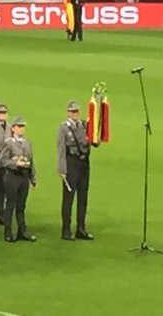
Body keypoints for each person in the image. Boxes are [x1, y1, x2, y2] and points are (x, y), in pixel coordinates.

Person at [57, 100, 96, 241]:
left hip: (84, 163)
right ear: (68, 112)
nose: (75, 114)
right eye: (72, 111)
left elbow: (93, 141)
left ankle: (81, 228)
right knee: (68, 198)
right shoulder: (63, 128)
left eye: (76, 111)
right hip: (71, 163)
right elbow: (61, 149)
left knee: (83, 198)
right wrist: (62, 169)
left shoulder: (85, 125)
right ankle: (66, 230)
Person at [0, 116, 37, 242]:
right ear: (13, 128)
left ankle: (22, 231)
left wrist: (33, 178)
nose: (22, 129)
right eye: (19, 126)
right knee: (10, 205)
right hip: (12, 176)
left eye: (23, 126)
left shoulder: (27, 142)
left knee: (21, 206)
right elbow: (3, 160)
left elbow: (31, 161)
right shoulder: (8, 143)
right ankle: (8, 232)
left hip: (24, 177)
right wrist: (15, 164)